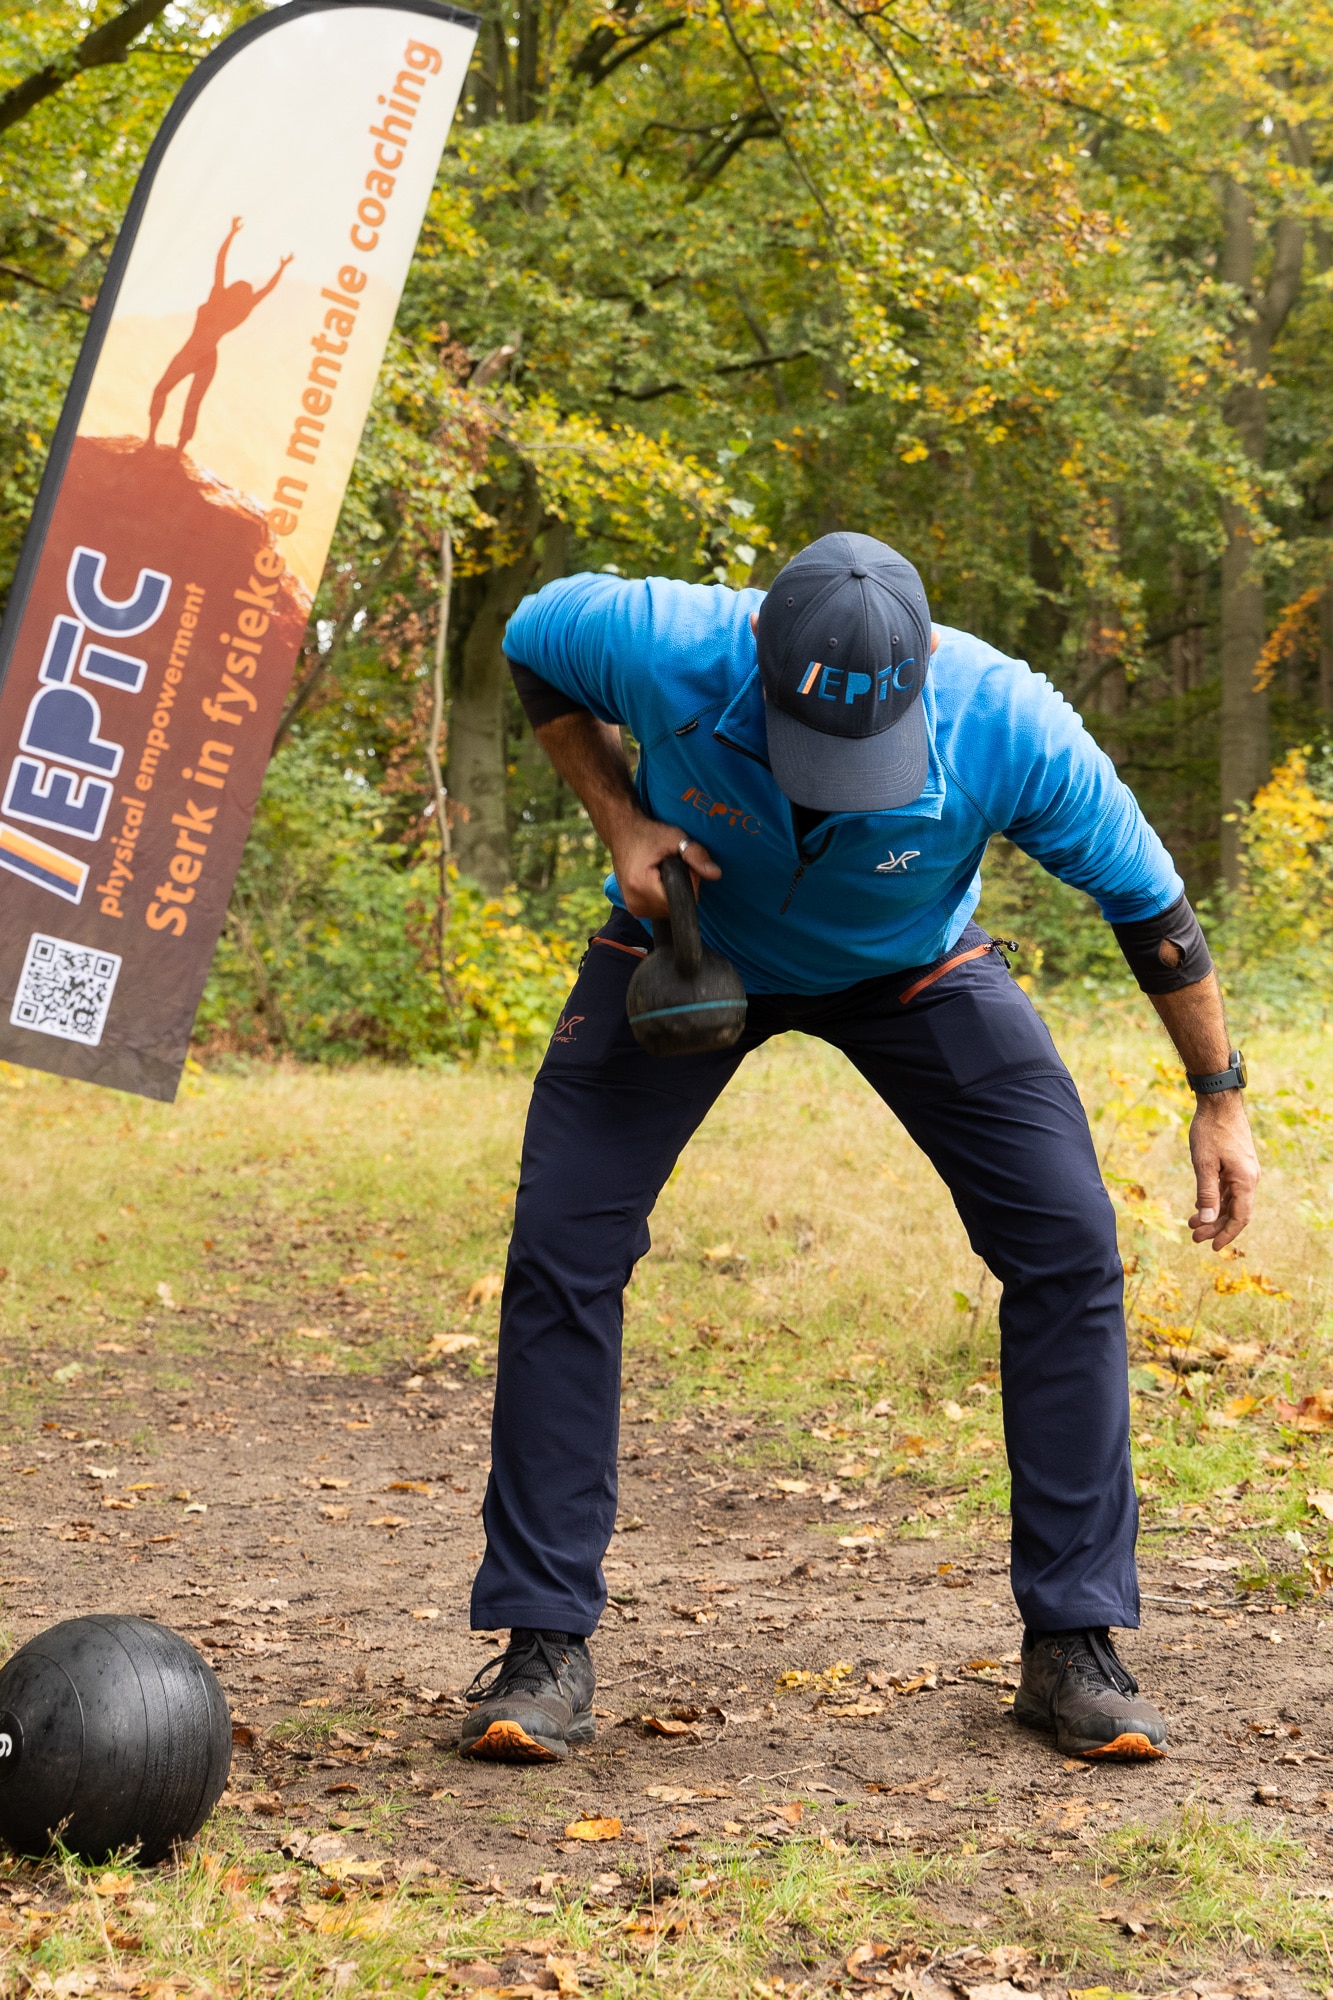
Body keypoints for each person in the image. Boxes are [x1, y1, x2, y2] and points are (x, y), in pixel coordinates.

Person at [458, 533, 1258, 1766]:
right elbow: (527, 645)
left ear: (925, 673)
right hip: (691, 945)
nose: (830, 785)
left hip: (913, 968)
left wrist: (1219, 1093)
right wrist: (619, 817)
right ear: (756, 661)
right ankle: (542, 1643)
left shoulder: (1007, 722)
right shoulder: (661, 638)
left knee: (1065, 1239)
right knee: (562, 1241)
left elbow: (1150, 909)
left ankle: (1074, 1643)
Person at [146, 217, 291, 453]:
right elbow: (262, 288)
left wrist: (232, 233)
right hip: (205, 357)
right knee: (185, 399)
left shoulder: (219, 300)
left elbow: (221, 263)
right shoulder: (235, 309)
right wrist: (281, 267)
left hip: (196, 354)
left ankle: (160, 442)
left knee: (172, 393)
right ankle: (166, 444)